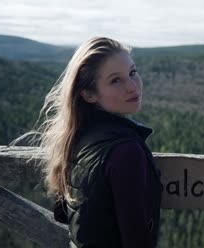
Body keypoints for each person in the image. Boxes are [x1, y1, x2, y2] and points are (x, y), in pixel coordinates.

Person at [16, 37, 162, 248]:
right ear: (89, 93)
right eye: (115, 80)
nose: (132, 86)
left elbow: (66, 214)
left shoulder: (76, 137)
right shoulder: (125, 151)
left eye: (132, 72)